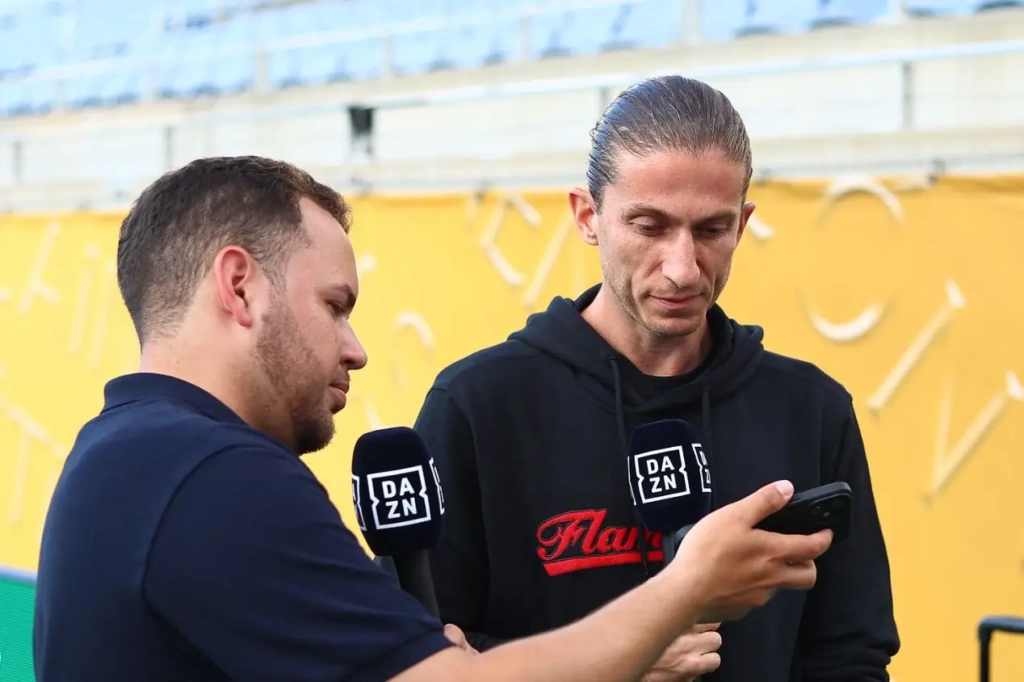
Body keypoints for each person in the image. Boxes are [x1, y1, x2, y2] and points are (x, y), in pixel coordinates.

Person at [32, 155, 834, 682]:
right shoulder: (214, 479)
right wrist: (688, 586)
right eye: (335, 306)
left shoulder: (120, 453)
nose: (355, 350)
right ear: (239, 286)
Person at [415, 76, 901, 682]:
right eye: (649, 226)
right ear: (587, 216)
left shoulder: (812, 409)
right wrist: (611, 666)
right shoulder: (477, 407)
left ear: (744, 224)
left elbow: (850, 654)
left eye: (712, 230)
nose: (682, 268)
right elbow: (423, 657)